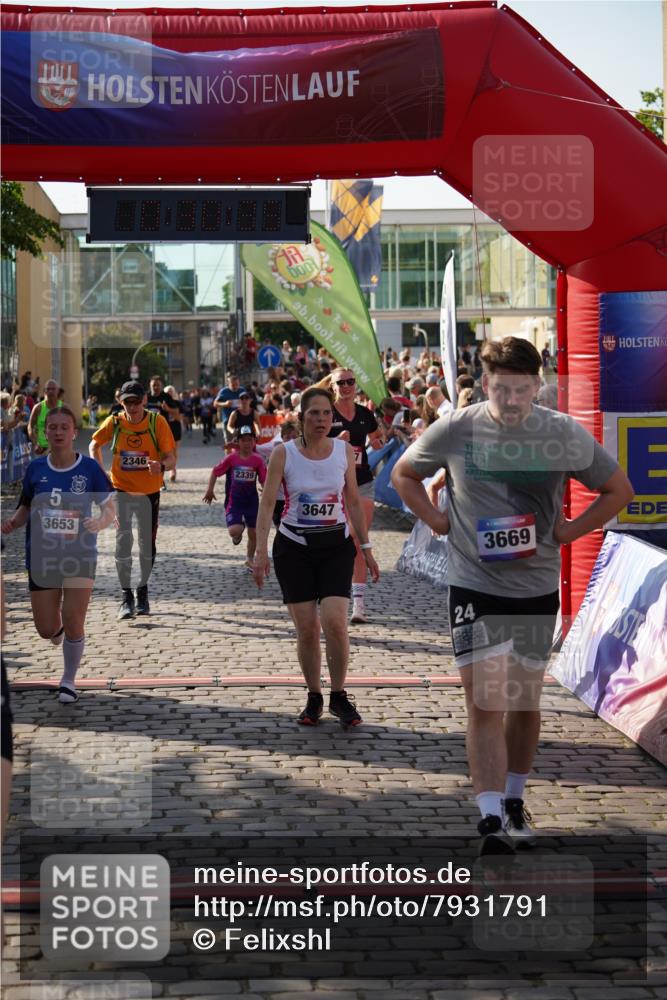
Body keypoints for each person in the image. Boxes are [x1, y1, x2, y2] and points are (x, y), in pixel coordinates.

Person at [391, 336, 633, 855]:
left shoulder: (561, 432)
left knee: (522, 703)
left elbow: (619, 489)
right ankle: (490, 816)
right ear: (485, 384)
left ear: (537, 386)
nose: (512, 401)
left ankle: (516, 798)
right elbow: (403, 473)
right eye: (502, 390)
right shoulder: (458, 426)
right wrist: (434, 519)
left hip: (536, 586)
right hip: (474, 584)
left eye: (522, 390)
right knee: (485, 700)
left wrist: (570, 532)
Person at [252, 387, 380, 728]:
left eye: (326, 414)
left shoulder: (344, 450)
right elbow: (267, 503)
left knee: (335, 622)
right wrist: (260, 549)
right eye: (314, 414)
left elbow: (352, 501)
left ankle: (338, 695)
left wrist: (366, 549)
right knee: (307, 629)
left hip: (336, 547)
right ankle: (314, 695)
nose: (322, 420)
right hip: (294, 549)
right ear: (301, 417)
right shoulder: (283, 453)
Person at [2, 406, 115, 703]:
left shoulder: (89, 468)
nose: (58, 432)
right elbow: (26, 505)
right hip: (42, 556)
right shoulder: (36, 469)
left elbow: (109, 508)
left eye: (65, 427)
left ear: (74, 432)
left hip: (80, 555)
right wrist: (15, 521)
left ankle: (68, 680)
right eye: (53, 427)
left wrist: (99, 522)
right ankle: (58, 631)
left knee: (73, 616)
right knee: (46, 629)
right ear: (45, 432)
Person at [90, 380, 176, 620]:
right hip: (122, 491)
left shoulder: (156, 422)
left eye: (137, 401)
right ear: (121, 402)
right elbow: (94, 444)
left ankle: (143, 591)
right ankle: (126, 596)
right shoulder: (115, 422)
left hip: (149, 493)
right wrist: (101, 474)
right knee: (123, 542)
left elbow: (171, 459)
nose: (133, 406)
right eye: (128, 402)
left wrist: (161, 466)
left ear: (145, 400)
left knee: (146, 545)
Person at [323, 368, 383, 623]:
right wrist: (335, 440)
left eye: (350, 381)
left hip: (362, 482)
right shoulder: (326, 413)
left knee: (358, 540)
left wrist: (379, 441)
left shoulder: (365, 413)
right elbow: (310, 444)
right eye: (341, 382)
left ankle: (358, 606)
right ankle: (330, 595)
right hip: (333, 484)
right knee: (337, 541)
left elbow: (377, 437)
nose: (347, 386)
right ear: (333, 386)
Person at [202, 425, 267, 569]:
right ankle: (239, 529)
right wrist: (209, 490)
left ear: (254, 442)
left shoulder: (258, 460)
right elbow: (215, 471)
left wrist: (266, 490)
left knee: (254, 532)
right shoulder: (231, 459)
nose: (247, 443)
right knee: (234, 531)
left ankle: (249, 559)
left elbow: (264, 479)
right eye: (244, 440)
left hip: (252, 501)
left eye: (250, 440)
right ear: (238, 442)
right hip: (234, 501)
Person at [27, 379, 62, 455]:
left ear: (58, 391)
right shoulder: (38, 408)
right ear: (44, 391)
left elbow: (71, 429)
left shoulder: (64, 408)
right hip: (41, 450)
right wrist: (35, 443)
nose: (50, 391)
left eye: (53, 389)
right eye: (48, 389)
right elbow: (30, 426)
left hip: (59, 449)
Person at [214, 373, 245, 443]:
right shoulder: (224, 391)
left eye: (237, 384)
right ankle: (228, 454)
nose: (235, 387)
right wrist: (225, 404)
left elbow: (249, 401)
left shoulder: (242, 390)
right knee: (229, 443)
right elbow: (215, 404)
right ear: (228, 384)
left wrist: (243, 403)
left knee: (240, 442)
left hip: (240, 420)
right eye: (233, 385)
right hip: (227, 421)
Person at [164, 386, 183, 483]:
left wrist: (169, 410)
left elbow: (180, 418)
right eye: (167, 392)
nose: (169, 394)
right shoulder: (162, 403)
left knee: (174, 450)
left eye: (171, 392)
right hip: (164, 429)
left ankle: (173, 470)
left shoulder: (178, 403)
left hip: (175, 429)